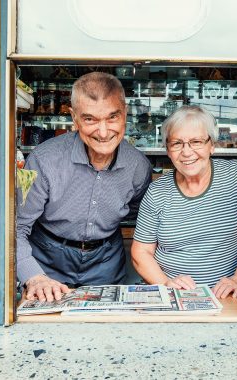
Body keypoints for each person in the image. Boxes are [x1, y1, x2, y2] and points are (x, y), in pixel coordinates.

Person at [17, 72, 152, 302]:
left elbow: (143, 218)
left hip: (106, 262)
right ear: (74, 118)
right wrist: (34, 276)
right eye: (90, 119)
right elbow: (16, 227)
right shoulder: (43, 160)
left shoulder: (138, 165)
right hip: (46, 261)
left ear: (125, 115)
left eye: (112, 118)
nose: (103, 131)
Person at [131, 105, 237, 298]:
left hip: (226, 295)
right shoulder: (157, 191)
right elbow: (141, 252)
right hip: (172, 293)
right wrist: (166, 283)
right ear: (168, 149)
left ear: (211, 145)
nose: (187, 152)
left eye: (196, 142)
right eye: (177, 143)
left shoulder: (235, 176)